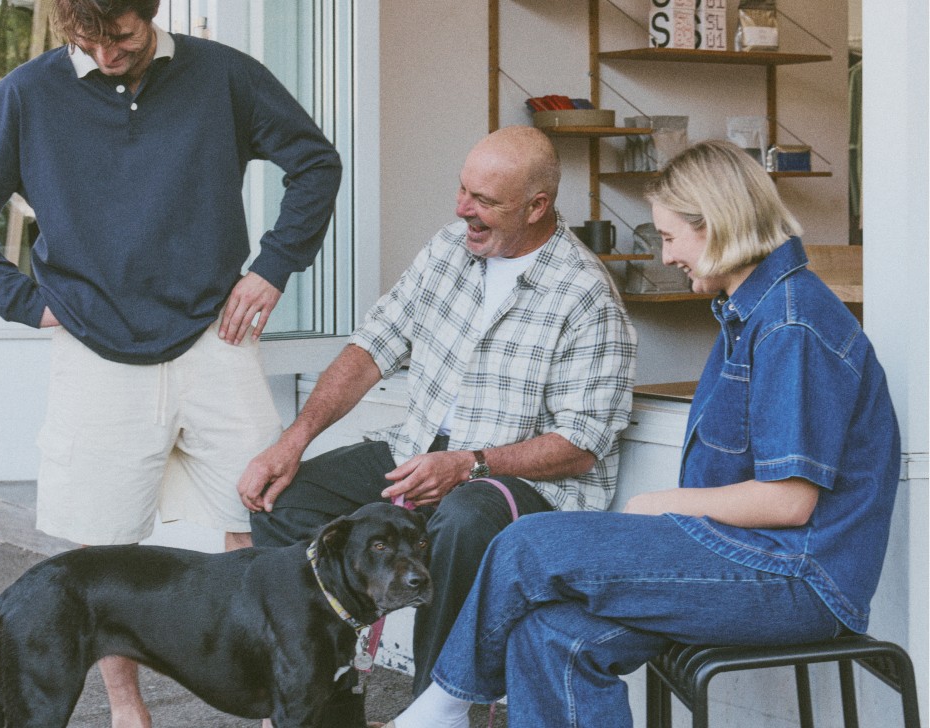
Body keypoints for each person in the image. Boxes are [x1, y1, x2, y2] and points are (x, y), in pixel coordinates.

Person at [386, 139, 901, 728]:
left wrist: (661, 504)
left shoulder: (791, 324)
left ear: (716, 225)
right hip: (745, 558)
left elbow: (789, 500)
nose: (666, 256)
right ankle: (444, 708)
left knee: (527, 543)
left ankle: (441, 708)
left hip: (796, 578)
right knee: (547, 634)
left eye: (669, 237)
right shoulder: (753, 313)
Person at [0, 1, 341, 726]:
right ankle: (127, 711)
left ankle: (283, 702)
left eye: (121, 35)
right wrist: (24, 301)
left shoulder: (223, 76)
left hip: (217, 334)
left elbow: (315, 162)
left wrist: (272, 267)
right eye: (87, 39)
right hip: (94, 348)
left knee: (258, 518)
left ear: (148, 13)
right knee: (106, 544)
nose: (107, 54)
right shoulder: (26, 94)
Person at [238, 124, 637, 720]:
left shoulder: (586, 296)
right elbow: (371, 349)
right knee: (285, 499)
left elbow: (581, 446)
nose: (462, 209)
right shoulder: (450, 248)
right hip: (421, 450)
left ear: (537, 206)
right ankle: (324, 697)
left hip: (525, 483)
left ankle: (435, 706)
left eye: (484, 201)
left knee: (465, 514)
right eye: (462, 190)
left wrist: (469, 464)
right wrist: (291, 441)